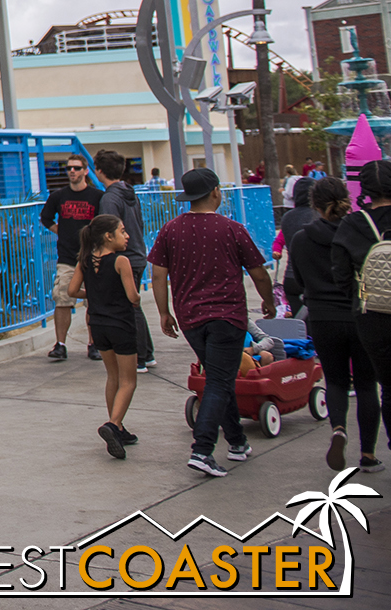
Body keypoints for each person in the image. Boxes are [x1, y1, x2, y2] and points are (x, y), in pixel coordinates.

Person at [150, 168, 276, 478]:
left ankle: (237, 442)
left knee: (220, 377)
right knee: (220, 381)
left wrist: (164, 313)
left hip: (190, 318)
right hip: (227, 317)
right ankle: (202, 450)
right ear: (216, 192)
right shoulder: (232, 229)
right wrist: (269, 301)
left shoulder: (170, 230)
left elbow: (157, 274)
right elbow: (259, 271)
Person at [67, 214, 139, 459]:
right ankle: (112, 424)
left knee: (113, 377)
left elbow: (72, 290)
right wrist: (135, 296)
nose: (127, 235)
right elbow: (132, 296)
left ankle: (118, 427)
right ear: (109, 236)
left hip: (97, 325)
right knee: (129, 380)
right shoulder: (121, 261)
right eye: (122, 231)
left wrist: (95, 294)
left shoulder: (85, 261)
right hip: (121, 325)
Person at [333, 159, 391, 463]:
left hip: (372, 316)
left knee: (388, 386)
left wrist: (362, 298)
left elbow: (341, 276)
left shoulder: (352, 224)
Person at [94, 150, 155, 371]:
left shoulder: (109, 198)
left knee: (129, 308)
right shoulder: (129, 192)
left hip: (124, 258)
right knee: (133, 304)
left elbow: (108, 231)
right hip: (137, 253)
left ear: (99, 171)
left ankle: (137, 356)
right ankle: (146, 354)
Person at [39, 155, 104, 361]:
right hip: (67, 256)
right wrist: (61, 231)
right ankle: (60, 344)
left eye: (76, 168)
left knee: (93, 301)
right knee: (62, 298)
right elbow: (45, 217)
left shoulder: (97, 196)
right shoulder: (59, 196)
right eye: (68, 168)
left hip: (92, 256)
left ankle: (93, 343)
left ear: (85, 170)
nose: (72, 172)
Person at [275, 177, 322, 316]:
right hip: (314, 278)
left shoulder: (287, 217)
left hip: (291, 277)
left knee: (299, 324)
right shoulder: (318, 215)